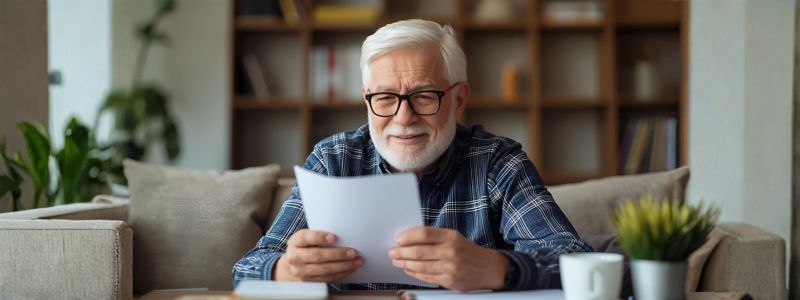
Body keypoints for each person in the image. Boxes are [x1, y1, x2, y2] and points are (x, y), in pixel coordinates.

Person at [232, 19, 592, 292]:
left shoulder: (497, 163)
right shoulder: (333, 161)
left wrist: (499, 267)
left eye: (423, 96)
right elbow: (245, 271)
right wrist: (286, 271)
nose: (403, 118)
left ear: (458, 100)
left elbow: (582, 263)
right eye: (385, 97)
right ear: (366, 99)